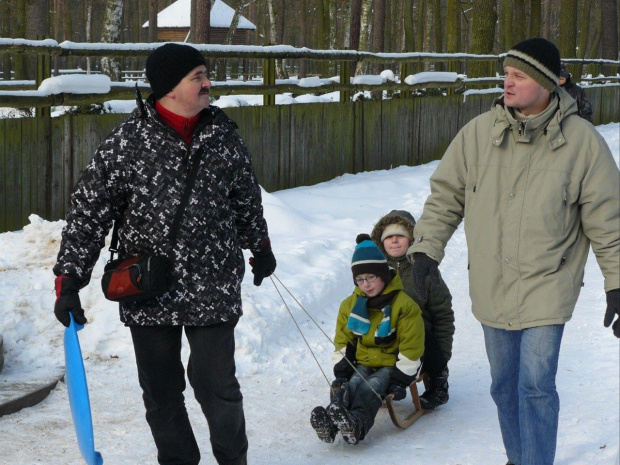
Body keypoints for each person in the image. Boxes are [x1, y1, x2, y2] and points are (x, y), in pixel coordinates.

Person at [53, 43, 277, 465]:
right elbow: (88, 211)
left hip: (212, 284)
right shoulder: (127, 143)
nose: (208, 83)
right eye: (198, 77)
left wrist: (260, 247)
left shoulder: (223, 135)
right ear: (169, 89)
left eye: (205, 75)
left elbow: (246, 198)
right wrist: (69, 281)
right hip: (148, 285)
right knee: (161, 392)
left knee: (218, 387)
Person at [405, 37, 619, 465]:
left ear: (546, 82)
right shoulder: (479, 134)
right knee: (503, 387)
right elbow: (445, 196)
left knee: (536, 387)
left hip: (548, 283)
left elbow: (608, 222)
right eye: (506, 73)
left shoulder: (582, 143)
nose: (507, 82)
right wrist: (425, 252)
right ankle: (518, 458)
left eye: (518, 75)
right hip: (492, 283)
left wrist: (617, 283)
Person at [310, 234, 425, 445]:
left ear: (383, 274)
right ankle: (331, 421)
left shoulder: (404, 305)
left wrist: (401, 380)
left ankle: (357, 425)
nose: (366, 284)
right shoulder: (350, 305)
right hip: (364, 361)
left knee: (372, 385)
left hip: (393, 365)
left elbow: (412, 346)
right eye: (360, 280)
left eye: (371, 277)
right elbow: (343, 341)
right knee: (352, 383)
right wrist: (342, 371)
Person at [370, 210, 454, 409]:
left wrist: (441, 358)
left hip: (422, 342)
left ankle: (438, 386)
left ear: (411, 239)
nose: (395, 241)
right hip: (386, 336)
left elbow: (443, 314)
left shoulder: (423, 271)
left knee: (418, 328)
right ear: (381, 242)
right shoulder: (375, 272)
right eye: (389, 237)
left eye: (400, 236)